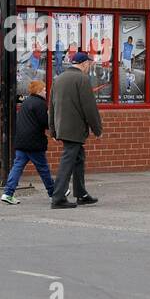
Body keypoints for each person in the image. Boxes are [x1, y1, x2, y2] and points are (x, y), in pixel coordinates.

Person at [49, 51, 103, 209]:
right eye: (89, 64)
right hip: (75, 129)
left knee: (78, 159)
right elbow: (89, 108)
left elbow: (51, 106)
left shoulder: (58, 79)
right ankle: (58, 197)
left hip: (62, 127)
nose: (89, 67)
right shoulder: (82, 79)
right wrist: (97, 129)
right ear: (84, 63)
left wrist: (53, 130)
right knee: (67, 162)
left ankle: (81, 194)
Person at [1, 80, 56, 205]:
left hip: (21, 140)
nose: (45, 91)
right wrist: (54, 131)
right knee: (43, 168)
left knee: (17, 167)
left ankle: (8, 193)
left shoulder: (25, 103)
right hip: (34, 142)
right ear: (38, 91)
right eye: (43, 89)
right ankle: (53, 192)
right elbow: (45, 122)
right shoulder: (40, 104)